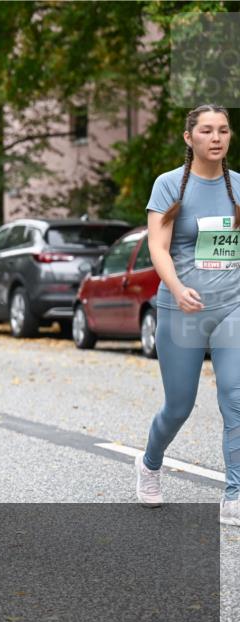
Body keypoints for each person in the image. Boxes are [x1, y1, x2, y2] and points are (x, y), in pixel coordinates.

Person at [136, 104, 240, 526]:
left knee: (235, 397)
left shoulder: (238, 186)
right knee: (179, 405)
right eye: (206, 131)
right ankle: (149, 463)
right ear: (189, 138)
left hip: (233, 306)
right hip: (182, 309)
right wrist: (177, 290)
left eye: (224, 131)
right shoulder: (169, 186)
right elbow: (158, 247)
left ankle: (235, 492)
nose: (216, 138)